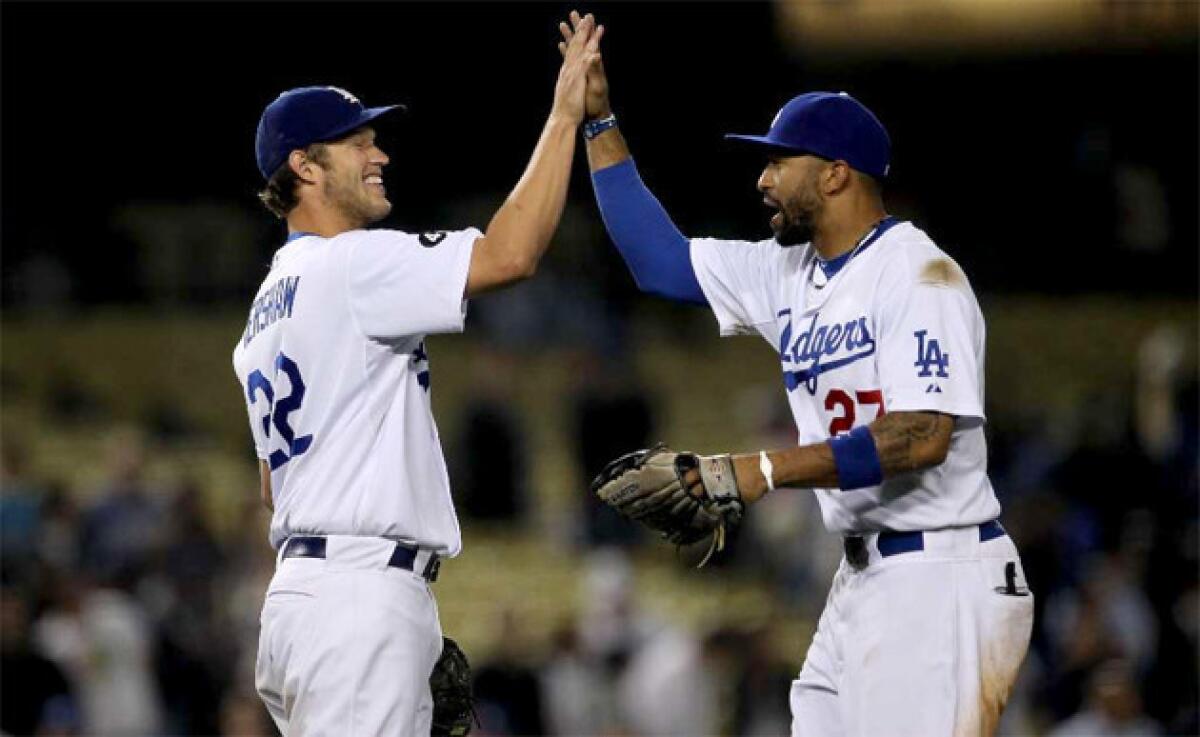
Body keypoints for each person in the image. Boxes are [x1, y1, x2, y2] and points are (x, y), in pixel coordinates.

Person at [559, 11, 1035, 736]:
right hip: (862, 580)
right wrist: (598, 123)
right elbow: (658, 261)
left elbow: (920, 434)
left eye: (780, 161)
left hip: (939, 575)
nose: (763, 177)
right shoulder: (789, 272)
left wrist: (758, 470)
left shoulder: (919, 273)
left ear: (837, 174)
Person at [231, 14, 602, 734]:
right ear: (305, 165)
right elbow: (509, 255)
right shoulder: (350, 264)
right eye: (358, 142)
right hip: (357, 600)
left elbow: (277, 484)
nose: (380, 155)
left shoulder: (263, 308)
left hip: (303, 600)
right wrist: (563, 116)